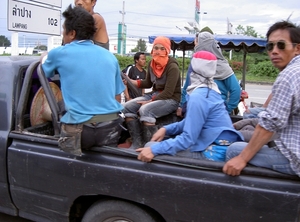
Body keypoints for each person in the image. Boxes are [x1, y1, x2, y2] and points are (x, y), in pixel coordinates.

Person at [40, 5, 125, 156]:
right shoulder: (110, 57)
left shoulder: (59, 53)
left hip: (79, 130)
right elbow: (117, 96)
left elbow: (45, 69)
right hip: (110, 127)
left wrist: (44, 56)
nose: (62, 33)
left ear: (71, 33)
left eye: (63, 29)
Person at [223, 20, 300, 176]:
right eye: (270, 46)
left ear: (297, 48)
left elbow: (269, 124)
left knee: (234, 151)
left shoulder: (289, 75)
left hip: (294, 157)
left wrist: (242, 159)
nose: (274, 51)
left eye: (281, 45)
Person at [136, 51, 244, 162]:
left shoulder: (198, 96)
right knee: (157, 145)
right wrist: (166, 129)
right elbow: (193, 121)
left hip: (213, 151)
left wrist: (155, 149)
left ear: (194, 71)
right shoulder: (212, 90)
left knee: (150, 146)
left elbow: (188, 139)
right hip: (219, 143)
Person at [123, 36, 181, 149]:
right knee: (127, 106)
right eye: (156, 48)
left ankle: (150, 146)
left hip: (171, 99)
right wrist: (130, 81)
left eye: (162, 48)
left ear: (167, 50)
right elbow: (148, 83)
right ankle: (137, 143)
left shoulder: (172, 67)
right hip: (155, 95)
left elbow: (169, 92)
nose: (158, 51)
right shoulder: (151, 64)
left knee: (146, 110)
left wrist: (150, 101)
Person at [178, 32, 241, 117]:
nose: (195, 47)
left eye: (196, 44)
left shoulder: (222, 66)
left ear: (203, 45)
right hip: (195, 106)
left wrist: (227, 109)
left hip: (215, 110)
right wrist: (182, 106)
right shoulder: (195, 63)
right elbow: (187, 87)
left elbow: (236, 90)